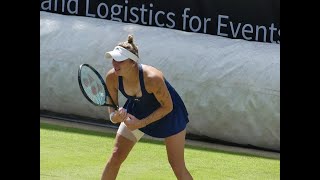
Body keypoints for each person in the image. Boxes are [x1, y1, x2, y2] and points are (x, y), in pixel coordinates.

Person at [101, 34, 193, 180]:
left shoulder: (152, 78)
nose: (115, 64)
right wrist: (115, 117)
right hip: (137, 110)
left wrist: (139, 123)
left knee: (177, 166)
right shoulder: (112, 77)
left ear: (133, 62)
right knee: (116, 156)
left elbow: (167, 107)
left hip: (169, 114)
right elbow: (112, 111)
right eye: (113, 59)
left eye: (120, 60)